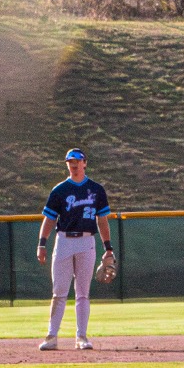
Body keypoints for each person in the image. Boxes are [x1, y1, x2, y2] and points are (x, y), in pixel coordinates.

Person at [36, 148, 112, 350]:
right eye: (70, 160)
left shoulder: (96, 189)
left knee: (83, 294)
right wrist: (42, 243)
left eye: (78, 160)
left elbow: (102, 221)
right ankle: (51, 337)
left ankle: (82, 337)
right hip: (64, 241)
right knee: (59, 292)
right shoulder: (59, 190)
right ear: (67, 164)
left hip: (87, 242)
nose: (74, 163)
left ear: (85, 163)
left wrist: (108, 248)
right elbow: (49, 219)